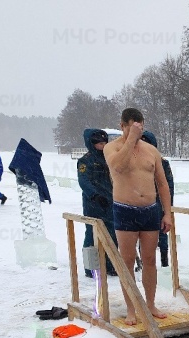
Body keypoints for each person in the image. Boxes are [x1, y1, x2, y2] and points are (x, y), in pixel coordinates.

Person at [103, 108, 172, 325]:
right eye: (131, 127)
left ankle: (149, 304)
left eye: (139, 127)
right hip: (125, 209)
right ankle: (132, 307)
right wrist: (130, 139)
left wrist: (167, 213)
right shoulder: (111, 148)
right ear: (122, 125)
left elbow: (162, 183)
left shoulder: (151, 150)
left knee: (150, 259)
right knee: (128, 261)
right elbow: (118, 167)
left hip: (150, 209)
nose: (136, 130)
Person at [77, 129, 118, 277]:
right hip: (93, 204)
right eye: (100, 143)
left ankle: (111, 264)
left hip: (110, 203)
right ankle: (91, 267)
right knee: (92, 236)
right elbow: (84, 181)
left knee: (112, 234)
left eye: (104, 142)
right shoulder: (85, 161)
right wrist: (94, 195)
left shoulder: (109, 158)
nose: (103, 145)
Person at [140, 130, 174, 267]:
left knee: (162, 234)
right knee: (142, 236)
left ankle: (164, 262)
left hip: (158, 203)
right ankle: (144, 263)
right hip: (142, 204)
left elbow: (168, 186)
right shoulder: (135, 162)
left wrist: (168, 209)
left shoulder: (162, 163)